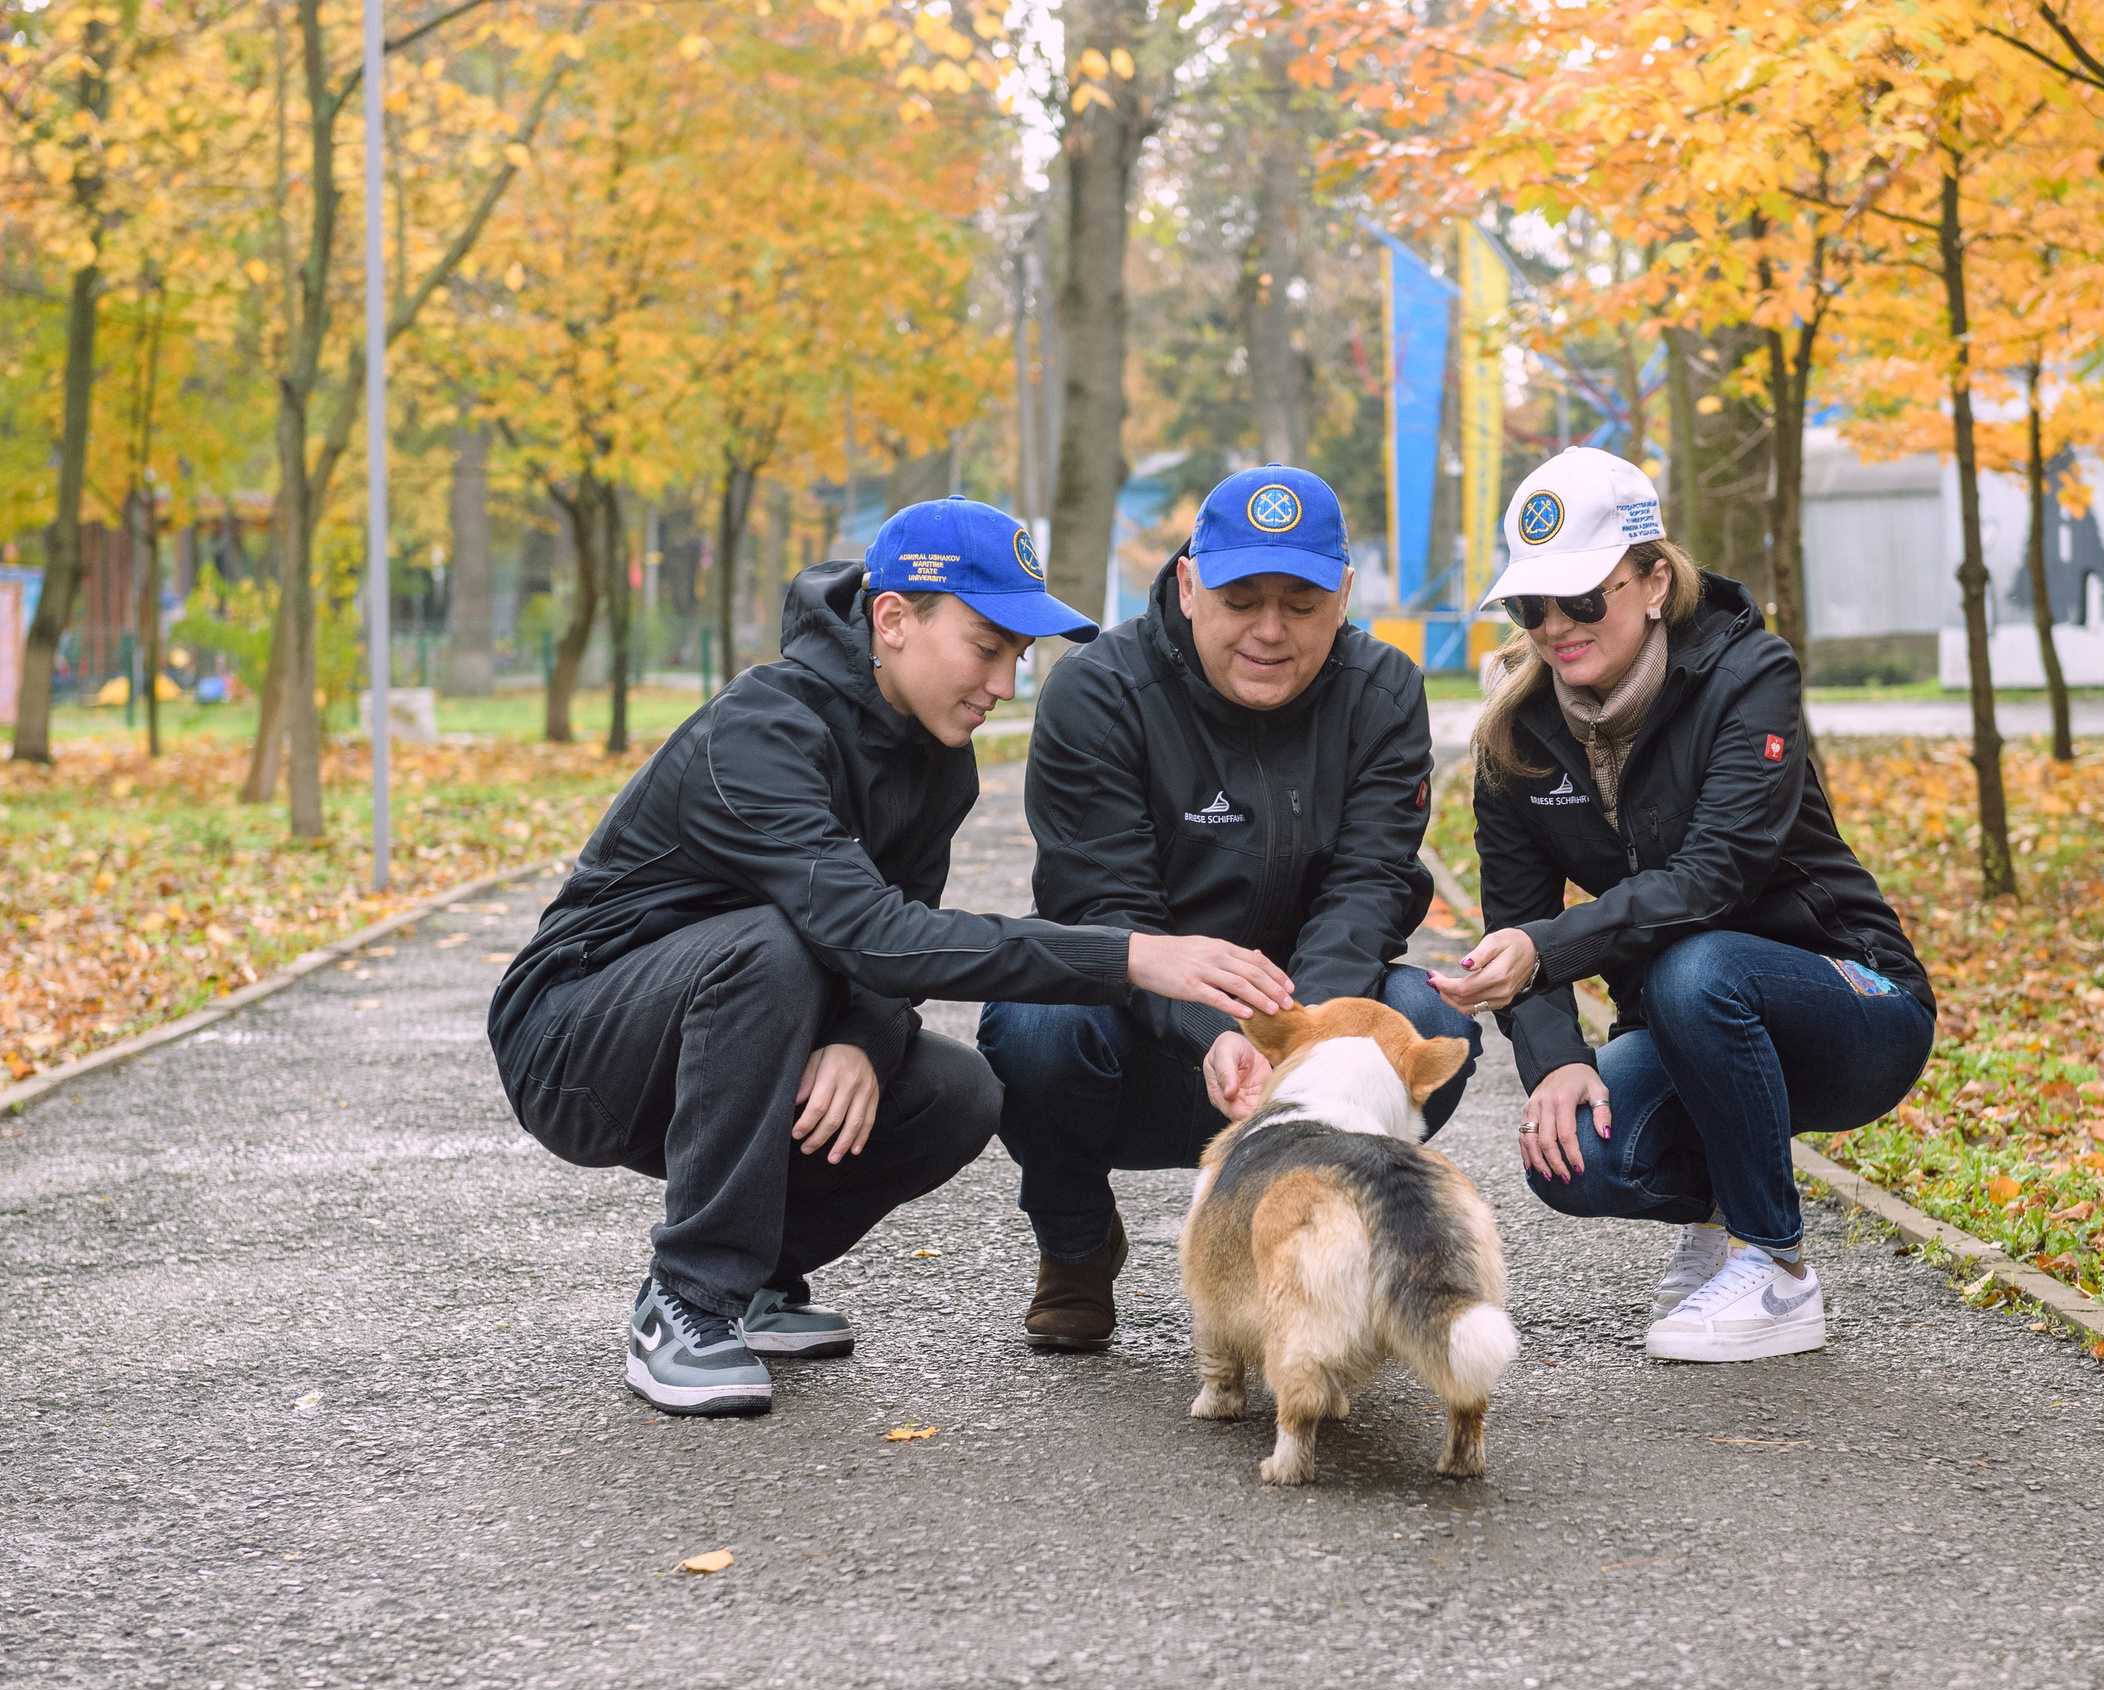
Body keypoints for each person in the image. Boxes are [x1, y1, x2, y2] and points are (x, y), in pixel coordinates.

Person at [488, 497, 1295, 1417]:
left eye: (1019, 657)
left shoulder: (935, 760)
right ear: (893, 618)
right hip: (576, 1041)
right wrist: (1133, 955)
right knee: (769, 949)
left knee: (958, 1093)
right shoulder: (761, 731)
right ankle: (687, 1299)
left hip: (739, 1020)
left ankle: (758, 1279)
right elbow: (878, 934)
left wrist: (863, 1039)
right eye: (986, 648)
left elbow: (901, 930)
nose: (1004, 683)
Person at [1429, 448, 1933, 1363]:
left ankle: (1775, 1269)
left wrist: (1548, 948)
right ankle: (1717, 1216)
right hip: (1682, 1018)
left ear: (1654, 581)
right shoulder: (1515, 735)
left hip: (1856, 1005)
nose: (1556, 627)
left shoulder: (1751, 673)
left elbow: (1715, 877)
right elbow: (1516, 914)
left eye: (1584, 599)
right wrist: (1553, 1059)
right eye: (1531, 606)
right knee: (1575, 1155)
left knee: (1699, 968)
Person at [978, 465, 1481, 1351]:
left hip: (1299, 1033)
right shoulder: (1097, 691)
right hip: (1140, 1032)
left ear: (1344, 596)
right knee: (1034, 1022)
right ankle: (1075, 1243)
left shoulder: (1385, 691)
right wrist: (1213, 1027)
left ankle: (1319, 1237)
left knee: (1426, 1018)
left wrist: (1296, 1038)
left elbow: (1368, 886)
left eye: (1301, 604)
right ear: (1187, 584)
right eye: (1240, 600)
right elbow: (1102, 906)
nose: (1270, 631)